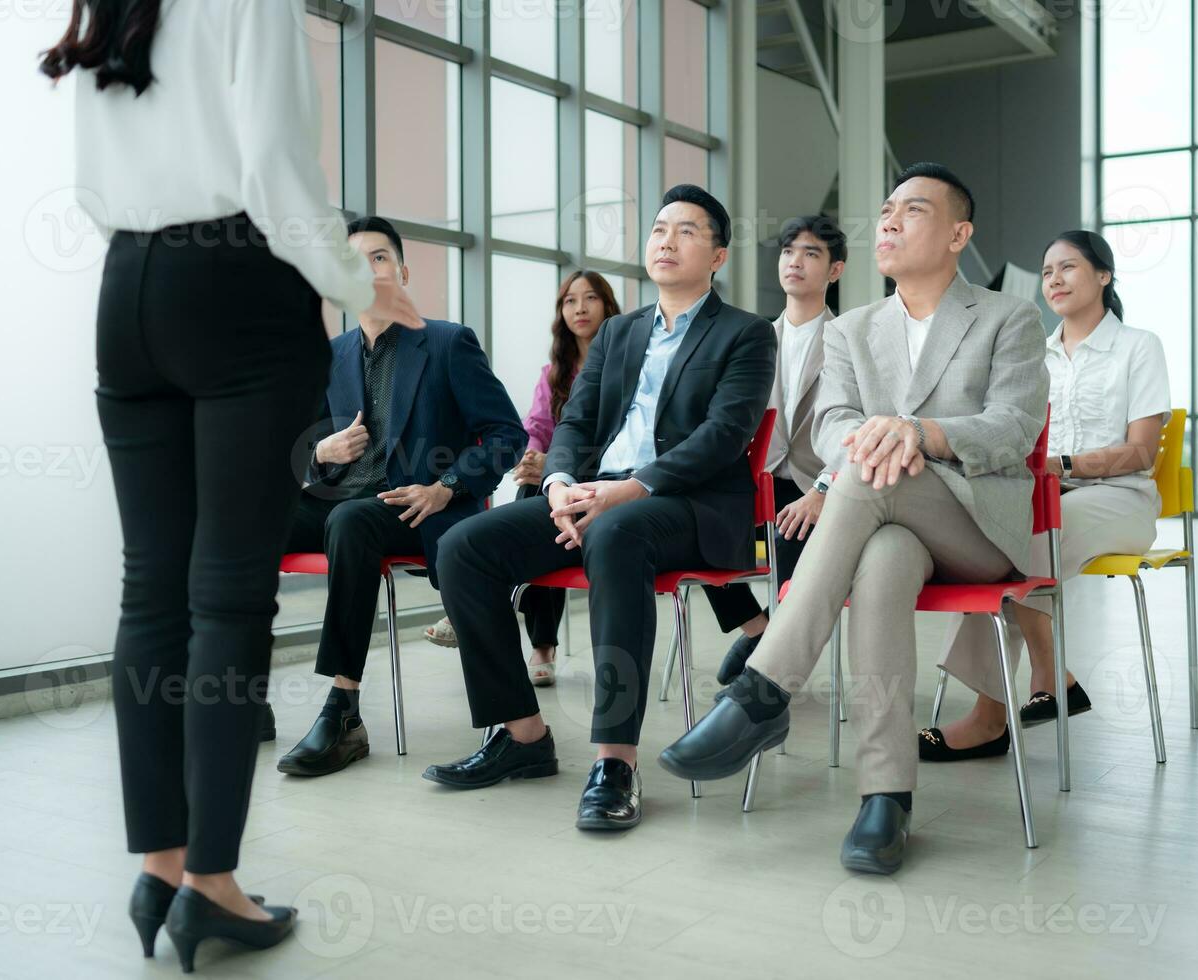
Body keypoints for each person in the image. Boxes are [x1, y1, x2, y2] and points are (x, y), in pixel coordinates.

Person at [47, 0, 422, 968]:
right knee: (227, 593)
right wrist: (352, 278)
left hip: (126, 287)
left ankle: (160, 864)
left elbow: (91, 184)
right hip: (239, 290)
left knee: (151, 587)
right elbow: (276, 163)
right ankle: (212, 884)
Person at [658, 163, 1048, 876]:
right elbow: (834, 421)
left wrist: (919, 433)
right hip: (890, 517)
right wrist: (877, 437)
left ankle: (764, 687)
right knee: (885, 557)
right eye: (886, 211)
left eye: (913, 210)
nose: (890, 222)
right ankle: (885, 798)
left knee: (870, 476)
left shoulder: (1008, 317)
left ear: (959, 233)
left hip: (977, 529)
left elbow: (1015, 426)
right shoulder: (855, 330)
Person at [422, 185, 777, 833]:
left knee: (616, 533)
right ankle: (524, 736)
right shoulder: (618, 332)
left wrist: (631, 488)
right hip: (596, 496)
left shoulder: (746, 335)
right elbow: (576, 423)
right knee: (463, 548)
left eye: (687, 231)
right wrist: (558, 483)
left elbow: (725, 435)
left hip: (686, 507)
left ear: (719, 255)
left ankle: (615, 761)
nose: (666, 240)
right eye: (659, 228)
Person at [273, 216, 526, 776]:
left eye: (379, 259)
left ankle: (343, 711)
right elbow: (299, 451)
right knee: (250, 520)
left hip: (417, 507)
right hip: (344, 501)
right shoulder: (332, 356)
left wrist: (446, 487)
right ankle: (244, 693)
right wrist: (323, 452)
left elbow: (508, 436)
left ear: (403, 272)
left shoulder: (447, 343)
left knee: (351, 523)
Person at [921, 230, 1169, 760]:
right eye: (1048, 270)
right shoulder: (1032, 356)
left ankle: (1000, 711)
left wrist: (1060, 465)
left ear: (1104, 276)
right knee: (994, 551)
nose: (1054, 280)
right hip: (1040, 496)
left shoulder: (1138, 347)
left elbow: (1142, 451)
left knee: (1026, 549)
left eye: (1069, 268)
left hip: (1119, 498)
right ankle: (1051, 680)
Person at [423, 271, 620, 691]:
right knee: (539, 489)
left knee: (545, 494)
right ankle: (541, 646)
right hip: (563, 483)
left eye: (590, 299)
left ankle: (525, 635)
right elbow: (536, 428)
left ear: (608, 306)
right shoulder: (554, 374)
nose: (580, 308)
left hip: (612, 483)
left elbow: (623, 441)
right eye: (570, 301)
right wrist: (536, 459)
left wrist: (555, 465)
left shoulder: (627, 365)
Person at [701, 216, 847, 684]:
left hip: (813, 485)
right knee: (694, 527)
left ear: (835, 270)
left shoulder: (849, 340)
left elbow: (856, 432)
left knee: (789, 539)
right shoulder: (752, 337)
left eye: (810, 253)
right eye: (788, 252)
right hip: (752, 480)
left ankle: (767, 671)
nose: (795, 262)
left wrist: (825, 489)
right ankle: (758, 630)